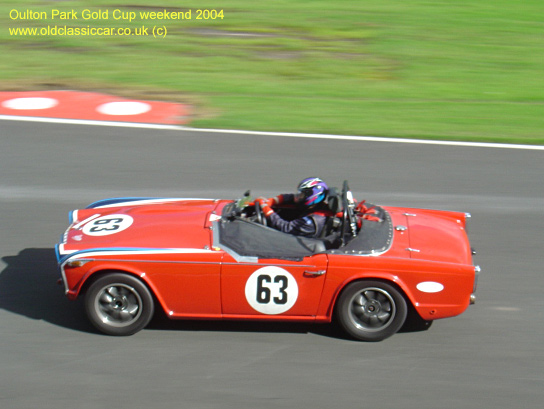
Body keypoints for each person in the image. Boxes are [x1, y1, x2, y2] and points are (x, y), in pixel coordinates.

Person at [255, 177, 336, 239]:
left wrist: (267, 210)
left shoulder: (311, 221)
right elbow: (293, 198)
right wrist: (272, 201)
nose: (298, 196)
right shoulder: (316, 206)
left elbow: (286, 228)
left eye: (302, 195)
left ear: (312, 197)